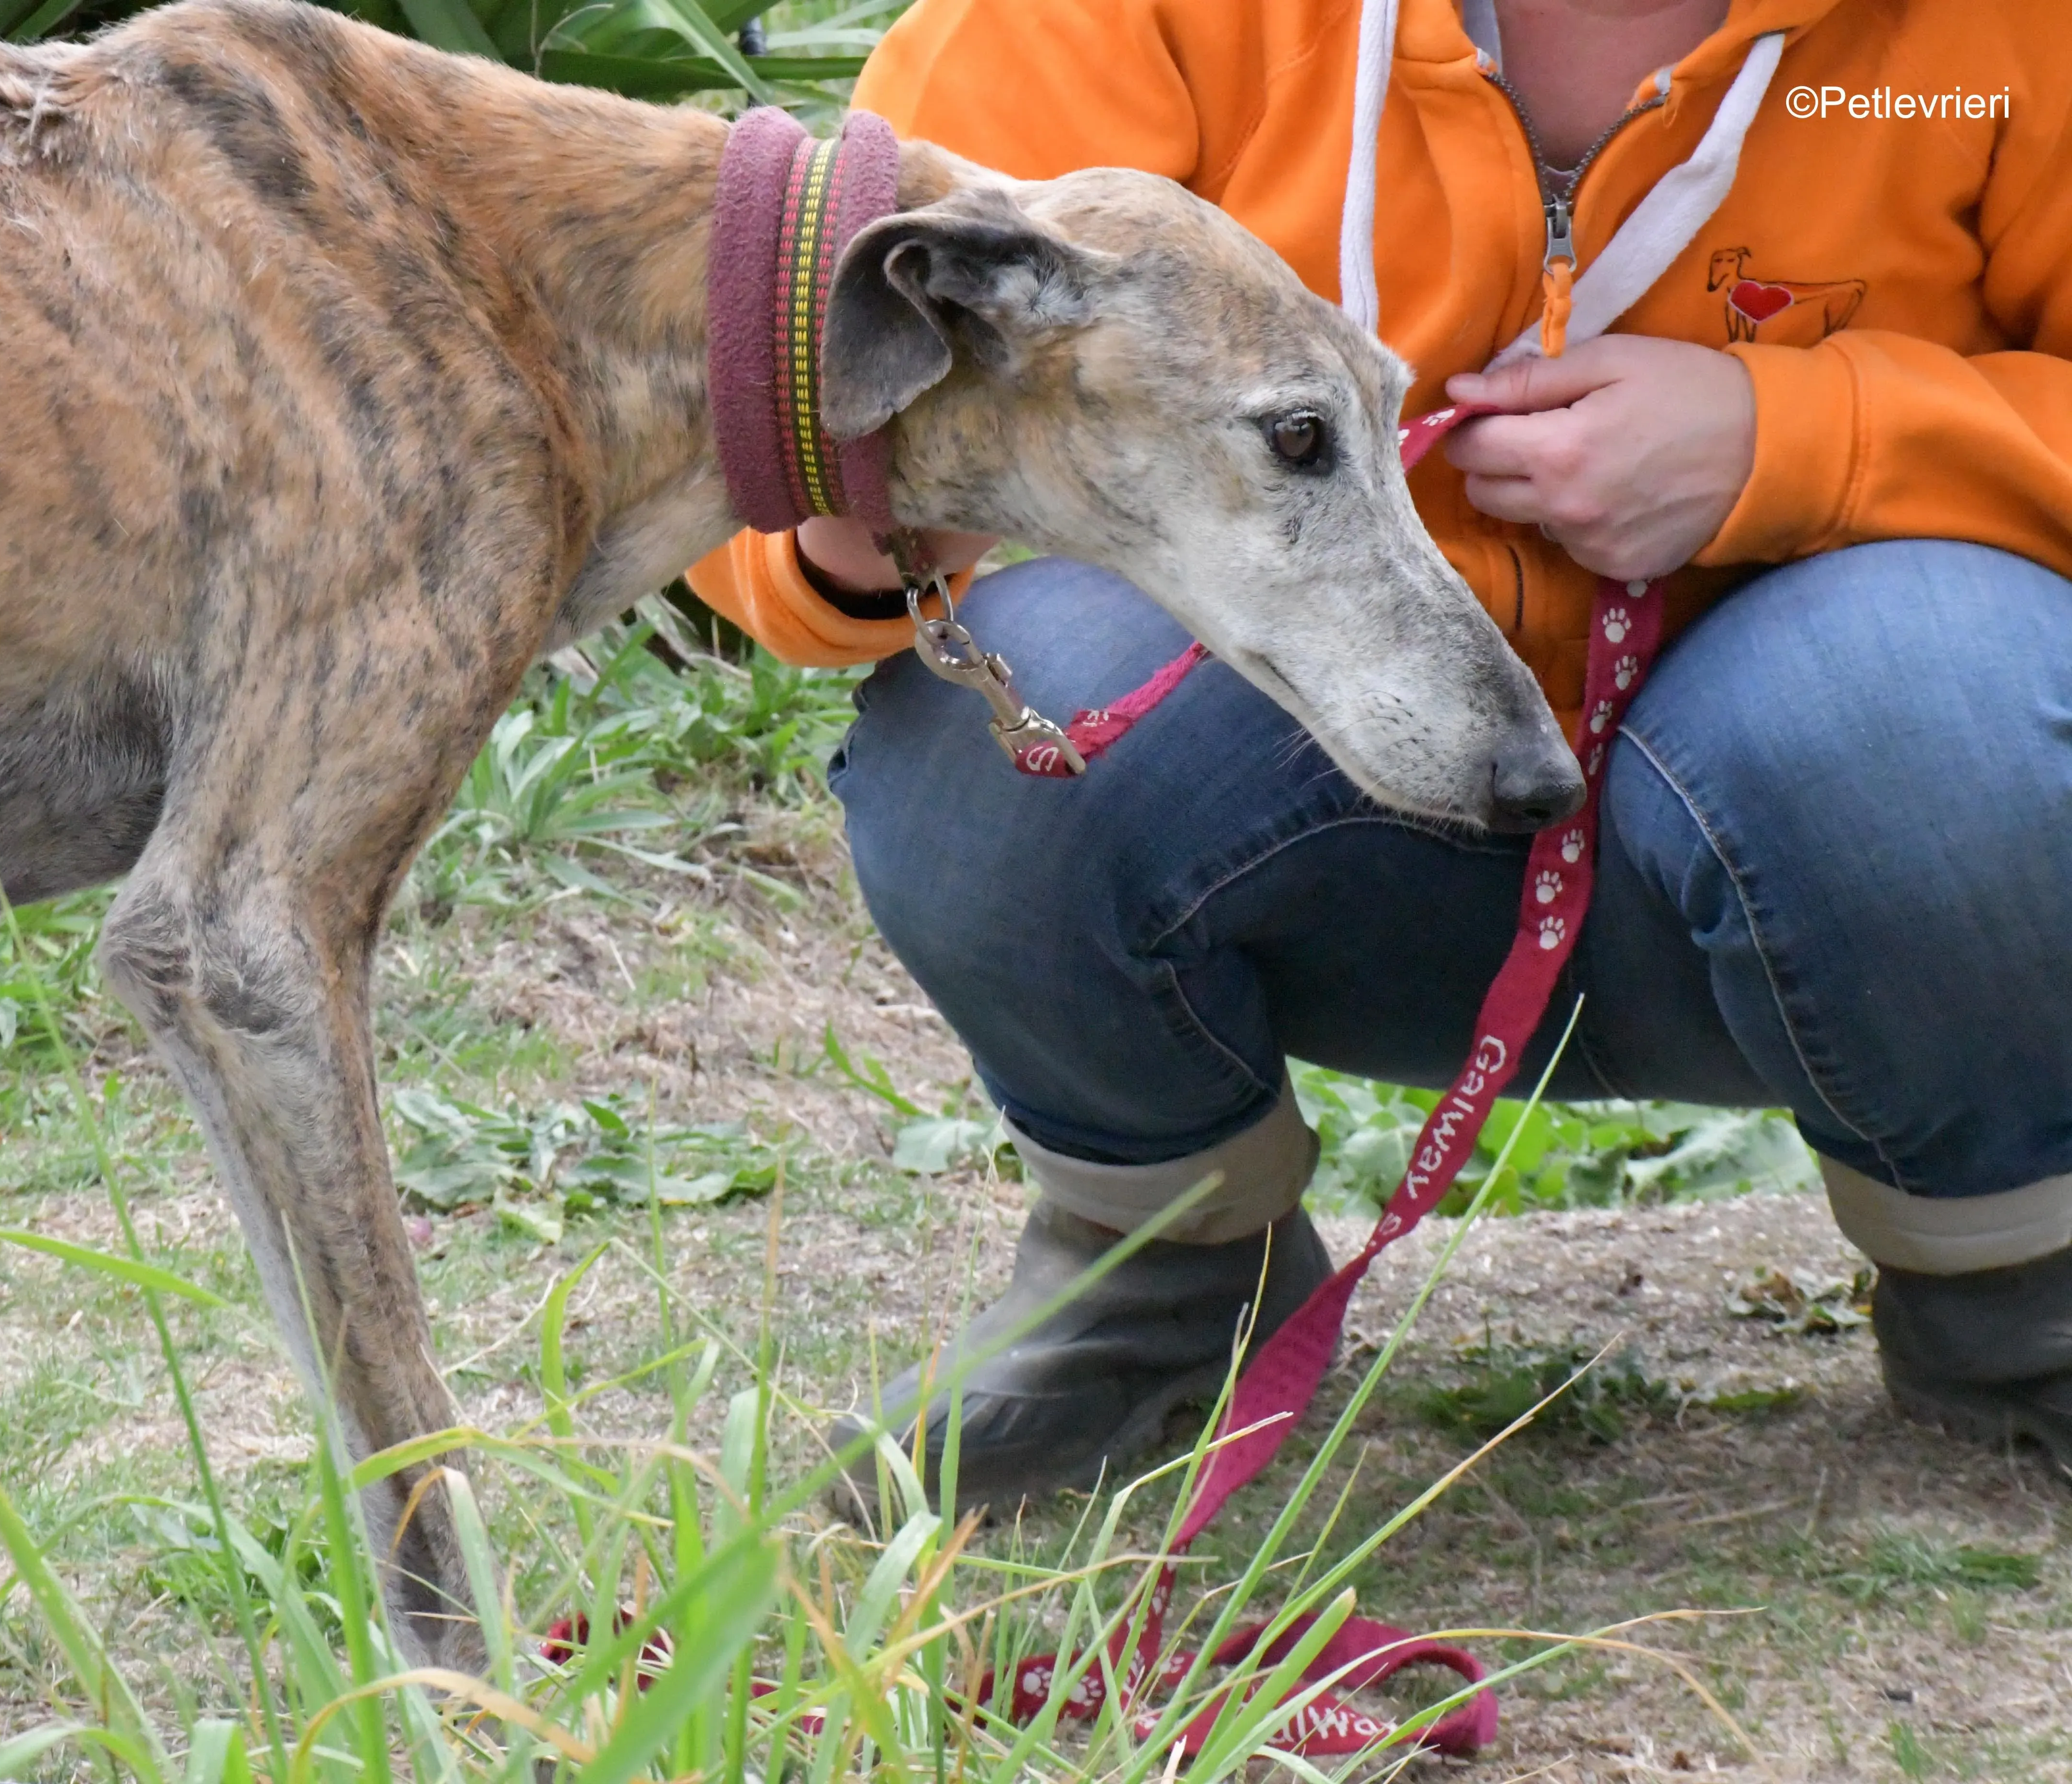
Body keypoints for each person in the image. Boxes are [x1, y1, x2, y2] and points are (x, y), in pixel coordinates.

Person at [684, 0, 2072, 1510]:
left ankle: (2017, 1283)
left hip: (1856, 839)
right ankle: (1161, 1276)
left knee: (1909, 695)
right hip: (1331, 848)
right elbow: (763, 486)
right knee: (1023, 692)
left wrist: (1799, 438)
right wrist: (885, 482)